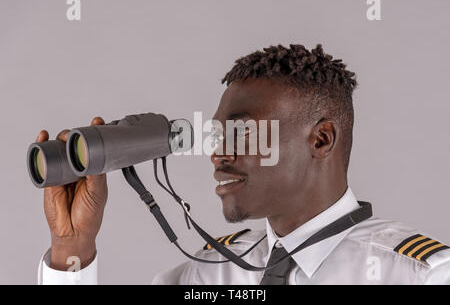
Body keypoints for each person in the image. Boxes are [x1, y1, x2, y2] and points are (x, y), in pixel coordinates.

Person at [36, 44, 450, 285]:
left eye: (243, 133)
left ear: (321, 139)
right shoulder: (211, 275)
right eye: (216, 135)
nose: (218, 154)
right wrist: (71, 249)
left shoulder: (421, 275)